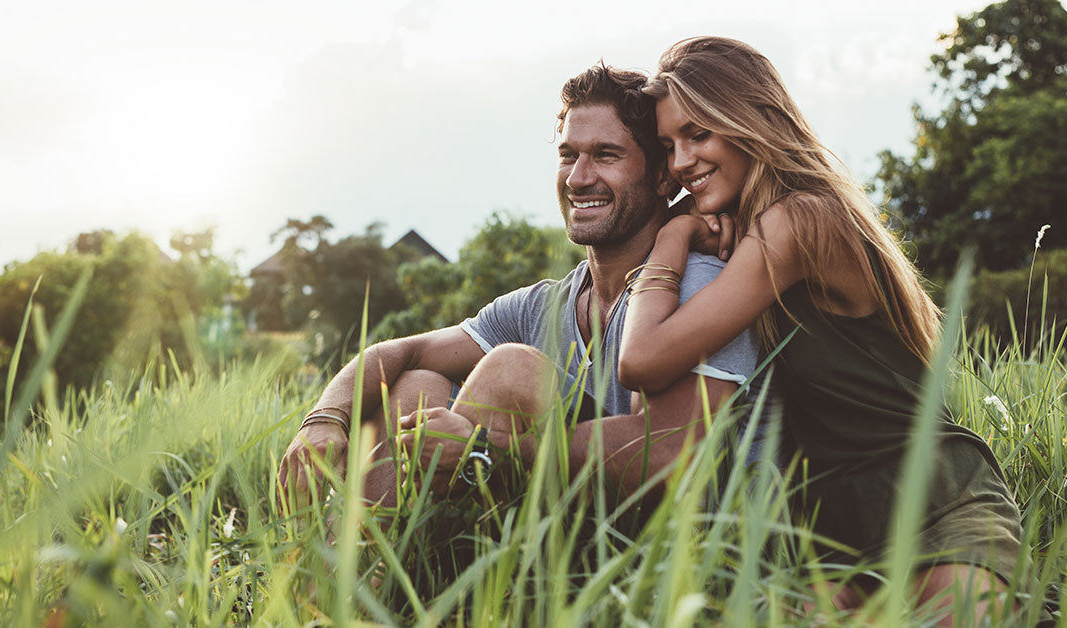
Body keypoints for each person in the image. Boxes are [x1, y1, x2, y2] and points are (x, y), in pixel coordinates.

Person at [617, 37, 1022, 622]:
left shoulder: (803, 219)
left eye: (698, 134)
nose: (680, 162)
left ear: (750, 121)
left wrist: (672, 237)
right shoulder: (751, 230)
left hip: (935, 501)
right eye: (667, 145)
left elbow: (644, 357)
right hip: (828, 537)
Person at [275, 63, 764, 517]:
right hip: (558, 522)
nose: (579, 178)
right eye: (569, 155)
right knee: (414, 384)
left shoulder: (694, 280)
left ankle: (389, 579)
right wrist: (323, 419)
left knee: (514, 369)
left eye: (606, 155)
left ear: (662, 176)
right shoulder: (541, 304)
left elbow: (671, 460)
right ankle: (365, 583)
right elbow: (405, 349)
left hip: (665, 545)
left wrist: (481, 446)